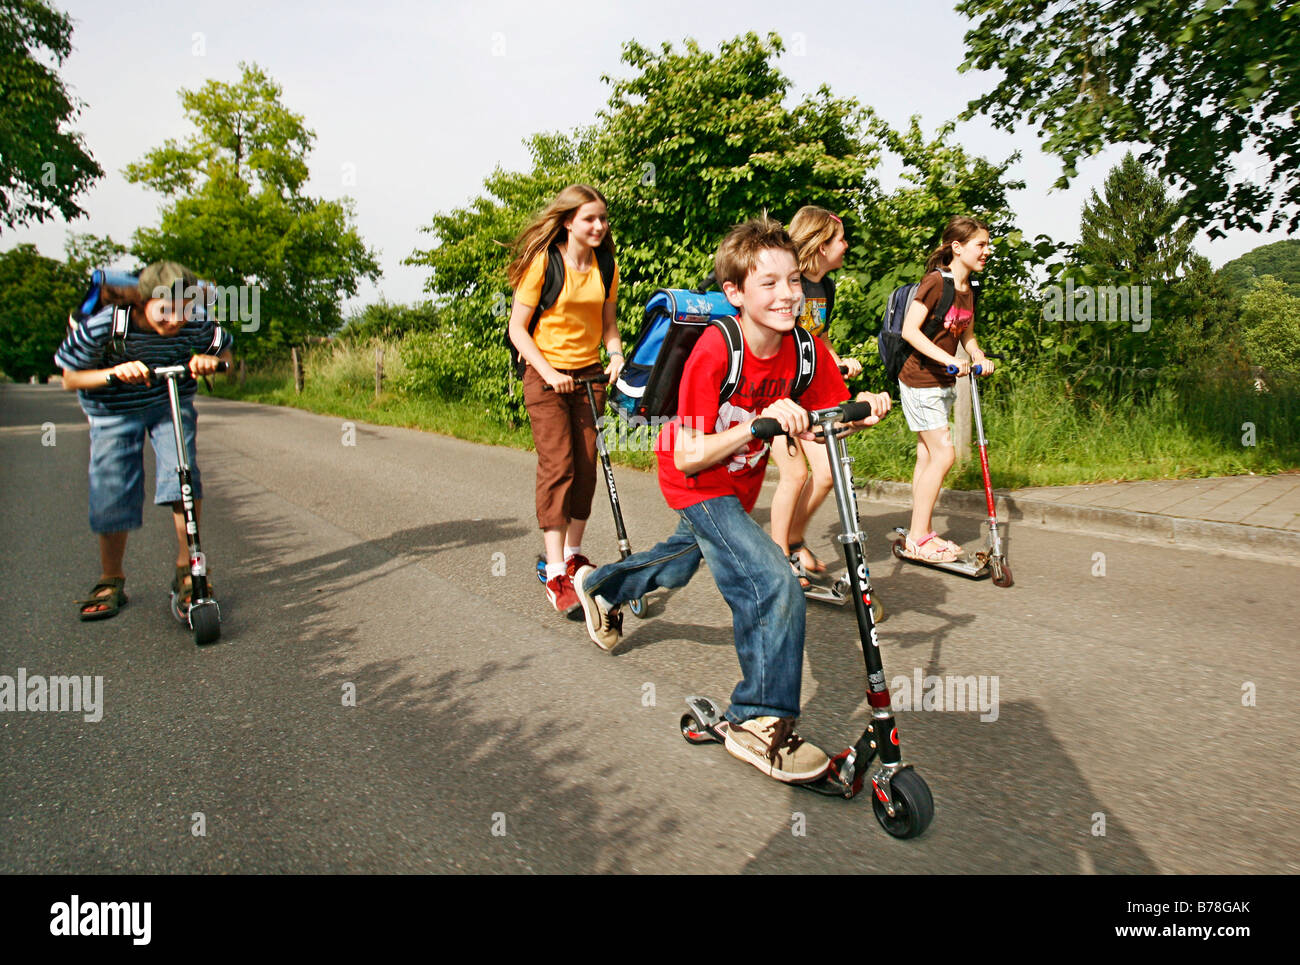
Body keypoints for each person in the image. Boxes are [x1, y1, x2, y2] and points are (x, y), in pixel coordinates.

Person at [572, 217, 891, 784]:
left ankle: (602, 588)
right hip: (695, 480)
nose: (787, 294)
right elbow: (691, 454)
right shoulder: (718, 350)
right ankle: (757, 720)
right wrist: (761, 426)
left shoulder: (806, 349)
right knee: (771, 582)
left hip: (737, 484)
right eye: (768, 284)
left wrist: (862, 408)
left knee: (683, 558)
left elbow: (823, 425)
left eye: (793, 280)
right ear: (736, 294)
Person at [56, 262, 234, 620]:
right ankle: (111, 579)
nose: (175, 320)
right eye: (165, 310)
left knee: (182, 477)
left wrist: (211, 364)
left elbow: (225, 354)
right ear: (142, 301)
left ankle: (189, 573)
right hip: (113, 410)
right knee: (114, 488)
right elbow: (70, 379)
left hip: (169, 403)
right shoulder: (109, 325)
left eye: (184, 310)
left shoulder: (197, 324)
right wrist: (114, 372)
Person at [507, 184, 625, 616]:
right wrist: (551, 372)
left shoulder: (605, 265)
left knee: (587, 467)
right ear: (569, 221)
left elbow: (608, 324)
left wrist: (614, 354)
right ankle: (555, 570)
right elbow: (518, 329)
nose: (599, 226)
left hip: (589, 376)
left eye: (603, 218)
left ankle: (574, 554)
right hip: (545, 376)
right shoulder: (544, 261)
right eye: (590, 218)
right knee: (559, 465)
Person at [770, 205, 862, 584]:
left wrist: (838, 362)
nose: (846, 246)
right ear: (822, 245)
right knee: (794, 474)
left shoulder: (825, 286)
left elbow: (818, 335)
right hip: (776, 391)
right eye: (841, 240)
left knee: (825, 475)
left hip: (809, 387)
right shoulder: (786, 282)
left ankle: (793, 539)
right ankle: (776, 563)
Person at [897, 216, 994, 562]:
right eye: (980, 245)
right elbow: (910, 330)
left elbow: (965, 332)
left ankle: (916, 533)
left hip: (942, 381)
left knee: (928, 456)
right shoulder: (937, 282)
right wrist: (947, 359)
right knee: (944, 454)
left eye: (987, 244)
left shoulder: (969, 290)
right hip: (920, 378)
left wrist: (977, 354)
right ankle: (920, 537)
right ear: (957, 247)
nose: (987, 251)